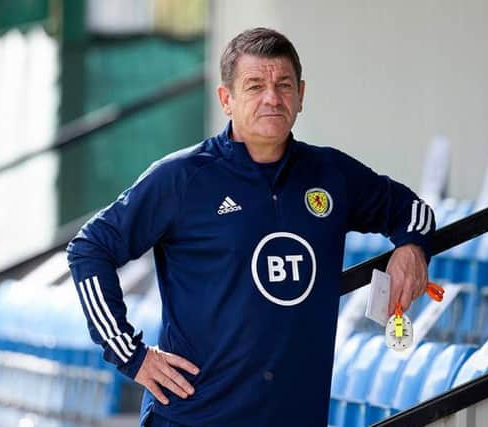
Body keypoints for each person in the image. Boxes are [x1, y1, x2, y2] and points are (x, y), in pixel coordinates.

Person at [67, 27, 435, 427]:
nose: (272, 98)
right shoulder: (182, 179)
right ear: (226, 99)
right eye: (255, 86)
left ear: (301, 95)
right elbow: (88, 249)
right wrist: (131, 355)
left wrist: (411, 248)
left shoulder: (330, 174)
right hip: (193, 418)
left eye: (283, 85)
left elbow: (412, 211)